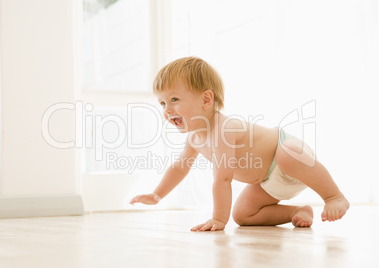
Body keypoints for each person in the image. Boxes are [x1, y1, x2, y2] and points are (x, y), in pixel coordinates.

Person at [130, 57, 349, 231]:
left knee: (287, 154)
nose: (167, 110)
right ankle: (296, 212)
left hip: (291, 155)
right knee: (243, 214)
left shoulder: (225, 129)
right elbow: (179, 168)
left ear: (206, 100)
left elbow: (223, 179)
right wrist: (156, 194)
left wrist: (218, 218)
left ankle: (333, 196)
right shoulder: (195, 139)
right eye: (162, 103)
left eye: (174, 100)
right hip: (267, 180)